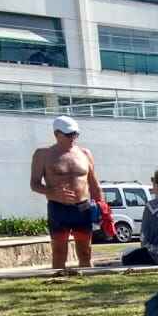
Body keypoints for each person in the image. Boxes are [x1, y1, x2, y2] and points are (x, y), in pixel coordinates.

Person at [31, 115, 101, 269]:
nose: (73, 138)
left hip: (82, 207)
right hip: (58, 207)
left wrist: (103, 208)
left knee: (85, 252)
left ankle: (88, 283)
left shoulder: (85, 153)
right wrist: (52, 192)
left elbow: (94, 184)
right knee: (59, 252)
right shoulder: (43, 154)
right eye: (69, 134)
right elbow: (34, 184)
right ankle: (58, 283)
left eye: (75, 134)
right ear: (57, 134)